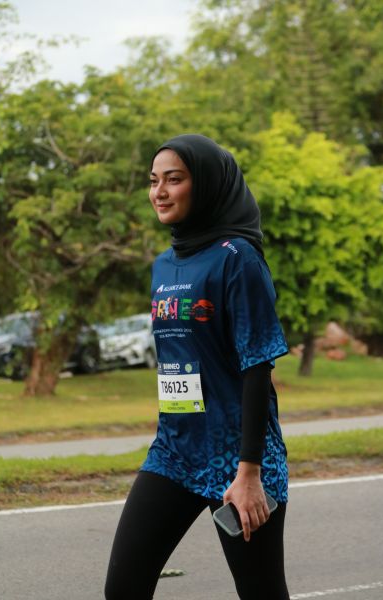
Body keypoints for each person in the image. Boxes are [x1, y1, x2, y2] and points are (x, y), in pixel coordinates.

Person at [105, 134, 290, 599]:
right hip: (175, 450)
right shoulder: (163, 265)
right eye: (154, 181)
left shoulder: (238, 259)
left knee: (261, 592)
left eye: (174, 179)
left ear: (204, 184)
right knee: (123, 588)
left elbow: (257, 367)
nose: (159, 192)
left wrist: (249, 473)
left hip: (239, 457)